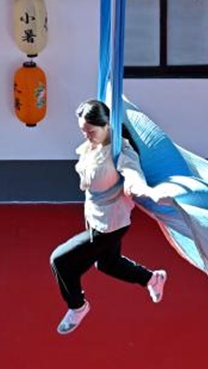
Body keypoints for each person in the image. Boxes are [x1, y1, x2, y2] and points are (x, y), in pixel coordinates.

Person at [49, 99, 167, 335]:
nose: (86, 136)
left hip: (109, 225)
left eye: (90, 131)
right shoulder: (94, 143)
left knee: (60, 262)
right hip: (95, 215)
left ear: (106, 126)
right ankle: (153, 278)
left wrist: (140, 190)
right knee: (107, 263)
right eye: (83, 131)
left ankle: (78, 306)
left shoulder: (120, 151)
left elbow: (132, 174)